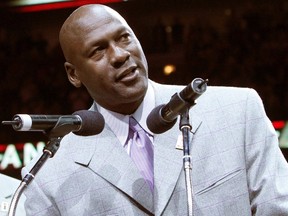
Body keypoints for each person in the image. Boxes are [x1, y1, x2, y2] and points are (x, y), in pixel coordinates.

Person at [21, 4, 288, 216]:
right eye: (98, 50)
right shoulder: (47, 177)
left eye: (124, 37)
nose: (119, 55)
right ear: (73, 74)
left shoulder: (237, 111)